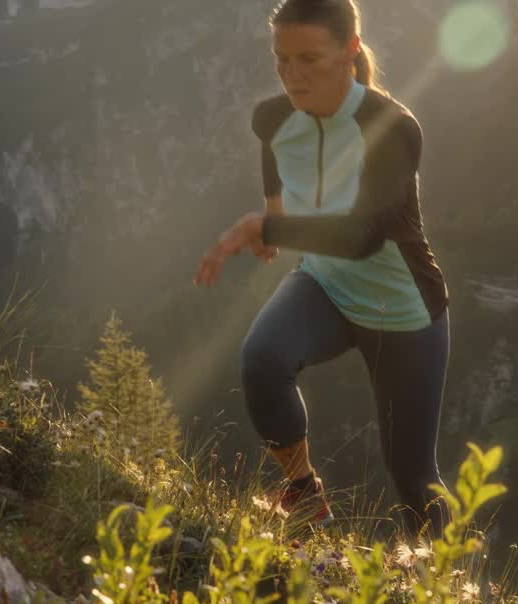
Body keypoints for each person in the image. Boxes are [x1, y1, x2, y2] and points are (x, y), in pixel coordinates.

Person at [193, 0, 451, 535]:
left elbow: (362, 236)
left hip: (402, 308)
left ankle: (448, 593)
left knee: (411, 474)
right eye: (281, 60)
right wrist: (274, 214)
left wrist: (263, 230)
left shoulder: (394, 127)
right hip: (326, 287)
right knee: (262, 360)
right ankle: (304, 495)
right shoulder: (272, 117)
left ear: (350, 50)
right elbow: (274, 161)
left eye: (308, 58)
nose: (292, 75)